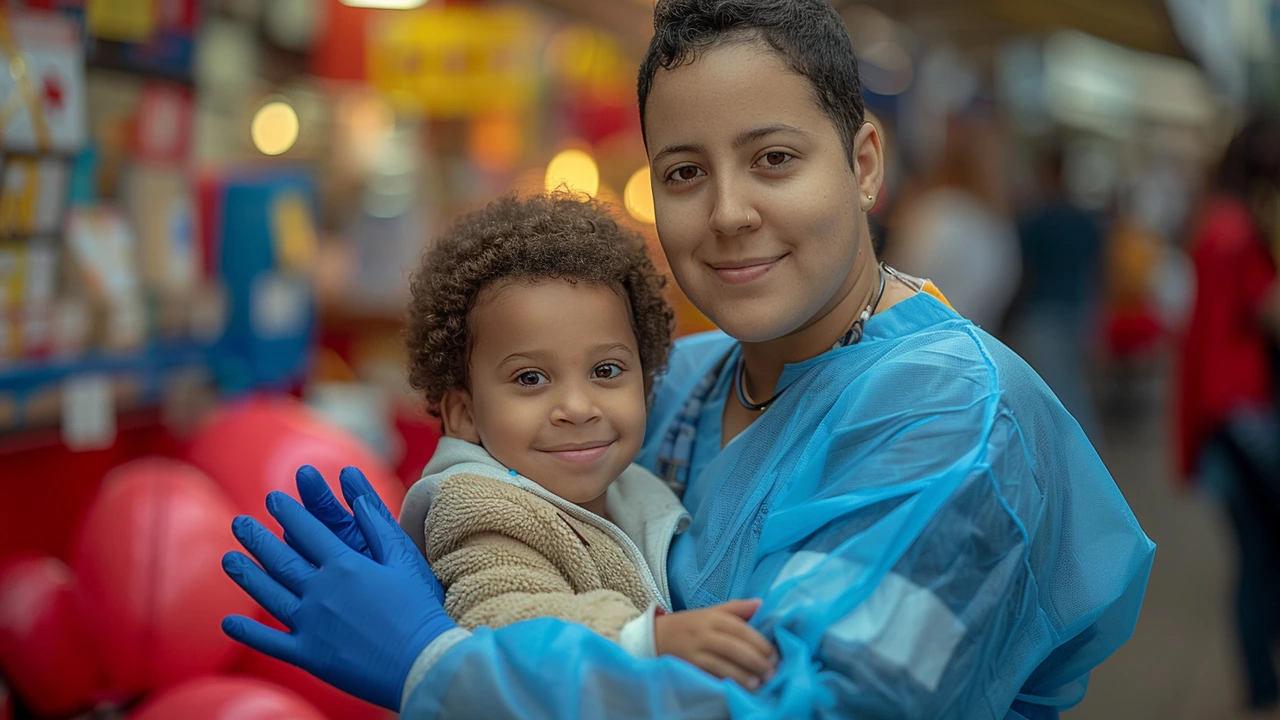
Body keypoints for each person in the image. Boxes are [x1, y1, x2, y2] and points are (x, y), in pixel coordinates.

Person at [220, 2, 1155, 718]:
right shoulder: (679, 386)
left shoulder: (954, 423)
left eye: (775, 158)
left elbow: (805, 703)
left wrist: (440, 666)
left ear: (865, 164)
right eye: (684, 172)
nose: (728, 212)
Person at [395, 192, 776, 687]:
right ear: (464, 414)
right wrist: (648, 640)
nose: (577, 408)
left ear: (646, 381)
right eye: (530, 378)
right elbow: (506, 623)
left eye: (606, 370)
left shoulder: (631, 488)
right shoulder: (478, 506)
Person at [1176, 115, 1280, 714]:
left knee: (1255, 553)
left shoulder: (1217, 222)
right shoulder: (1238, 232)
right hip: (1242, 409)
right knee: (1259, 558)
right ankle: (1262, 684)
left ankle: (1262, 682)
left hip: (1222, 412)